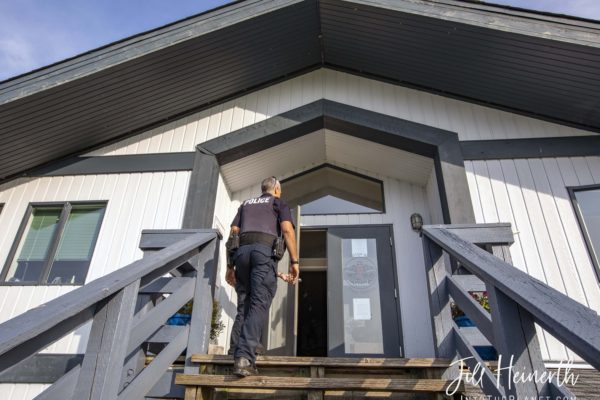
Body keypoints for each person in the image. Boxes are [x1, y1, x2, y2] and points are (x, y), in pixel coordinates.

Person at [225, 176, 300, 377]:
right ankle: (244, 359)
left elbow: (233, 233)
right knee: (259, 303)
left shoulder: (246, 205)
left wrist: (230, 266)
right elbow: (287, 230)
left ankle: (235, 351)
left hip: (241, 254)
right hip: (263, 252)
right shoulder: (278, 203)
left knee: (245, 303)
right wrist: (294, 262)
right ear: (276, 189)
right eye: (280, 190)